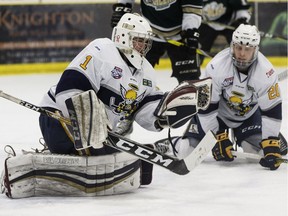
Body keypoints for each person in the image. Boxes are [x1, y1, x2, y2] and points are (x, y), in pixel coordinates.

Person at [155, 24, 286, 170]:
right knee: (186, 151)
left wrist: (270, 142)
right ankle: (172, 143)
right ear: (232, 46)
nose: (242, 53)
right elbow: (207, 106)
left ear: (255, 50)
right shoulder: (216, 67)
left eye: (247, 49)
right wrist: (216, 138)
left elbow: (272, 110)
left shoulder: (266, 72)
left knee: (256, 153)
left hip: (247, 117)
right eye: (238, 47)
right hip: (217, 115)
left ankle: (272, 136)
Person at [111, 0, 203, 83]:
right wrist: (122, 8)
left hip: (180, 36)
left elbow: (192, 9)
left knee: (190, 81)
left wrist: (191, 31)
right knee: (132, 74)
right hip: (148, 33)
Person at [199, 0, 251, 65]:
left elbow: (242, 7)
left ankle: (243, 65)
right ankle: (195, 65)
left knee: (239, 44)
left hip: (230, 23)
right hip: (207, 24)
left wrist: (242, 19)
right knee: (198, 48)